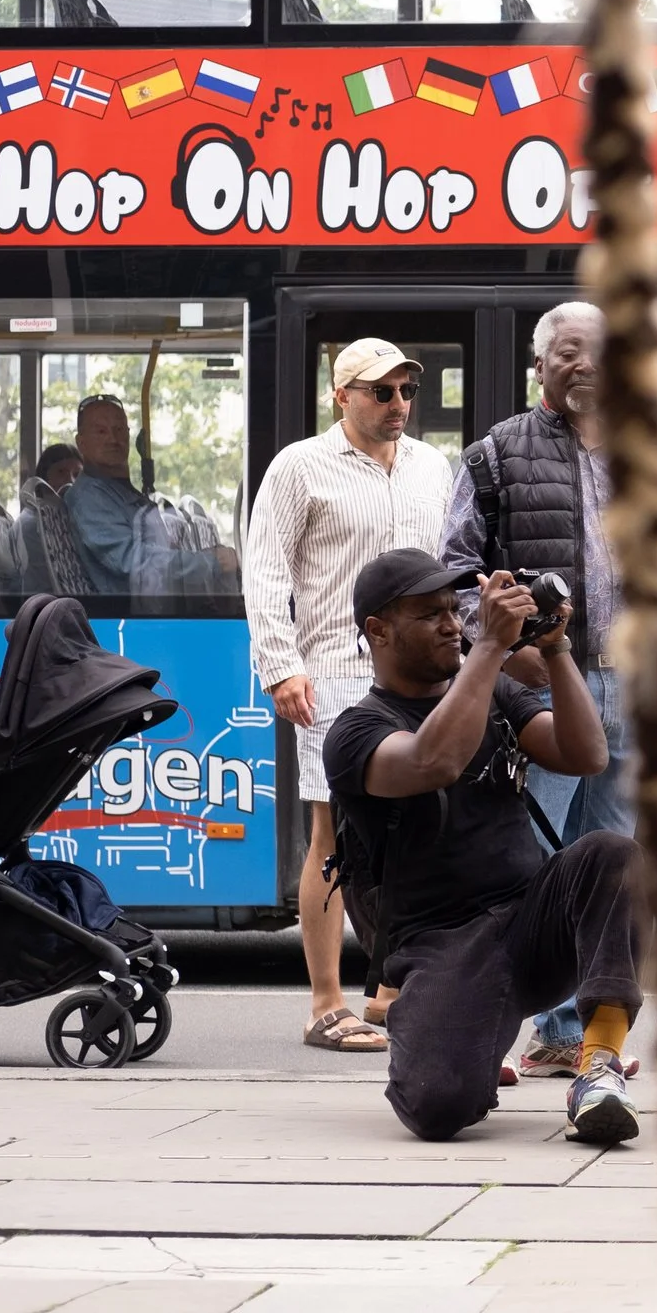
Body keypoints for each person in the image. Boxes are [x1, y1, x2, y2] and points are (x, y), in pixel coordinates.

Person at [323, 550, 640, 1144]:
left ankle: (598, 1066)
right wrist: (491, 650)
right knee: (438, 1108)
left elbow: (585, 755)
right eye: (430, 615)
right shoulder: (355, 732)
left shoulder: (494, 698)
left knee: (610, 854)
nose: (452, 624)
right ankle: (455, 1032)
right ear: (377, 630)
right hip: (445, 945)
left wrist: (553, 647)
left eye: (453, 609)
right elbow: (434, 760)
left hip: (531, 921)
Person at [437, 302, 632, 1082]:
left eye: (600, 352)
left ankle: (584, 1041)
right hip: (540, 689)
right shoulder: (494, 456)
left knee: (616, 865)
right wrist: (506, 654)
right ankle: (489, 1031)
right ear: (541, 365)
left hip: (629, 686)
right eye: (570, 353)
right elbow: (452, 577)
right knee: (525, 862)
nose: (586, 365)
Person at [245, 339, 453, 1053]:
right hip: (332, 669)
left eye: (405, 391)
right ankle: (326, 1002)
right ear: (342, 396)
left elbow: (452, 565)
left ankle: (390, 993)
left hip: (423, 677)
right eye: (380, 392)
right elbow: (265, 568)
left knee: (419, 834)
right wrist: (280, 664)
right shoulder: (300, 467)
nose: (397, 405)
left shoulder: (434, 467)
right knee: (334, 835)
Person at [65, 396, 239, 596]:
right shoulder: (89, 499)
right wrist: (211, 563)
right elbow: (135, 562)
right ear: (81, 443)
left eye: (119, 430)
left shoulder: (116, 490)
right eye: (101, 431)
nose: (113, 439)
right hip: (130, 616)